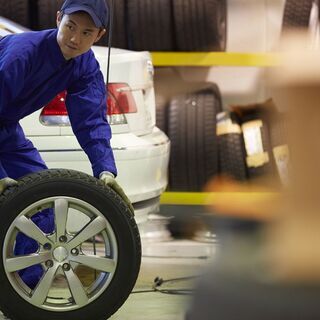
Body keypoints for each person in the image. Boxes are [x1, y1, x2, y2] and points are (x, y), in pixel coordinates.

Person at [0, 0, 133, 288]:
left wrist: (104, 170)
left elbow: (91, 120)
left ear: (99, 35)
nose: (75, 38)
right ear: (58, 18)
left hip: (5, 130)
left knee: (40, 202)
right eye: (70, 26)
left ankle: (22, 290)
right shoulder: (22, 55)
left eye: (87, 32)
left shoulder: (84, 65)